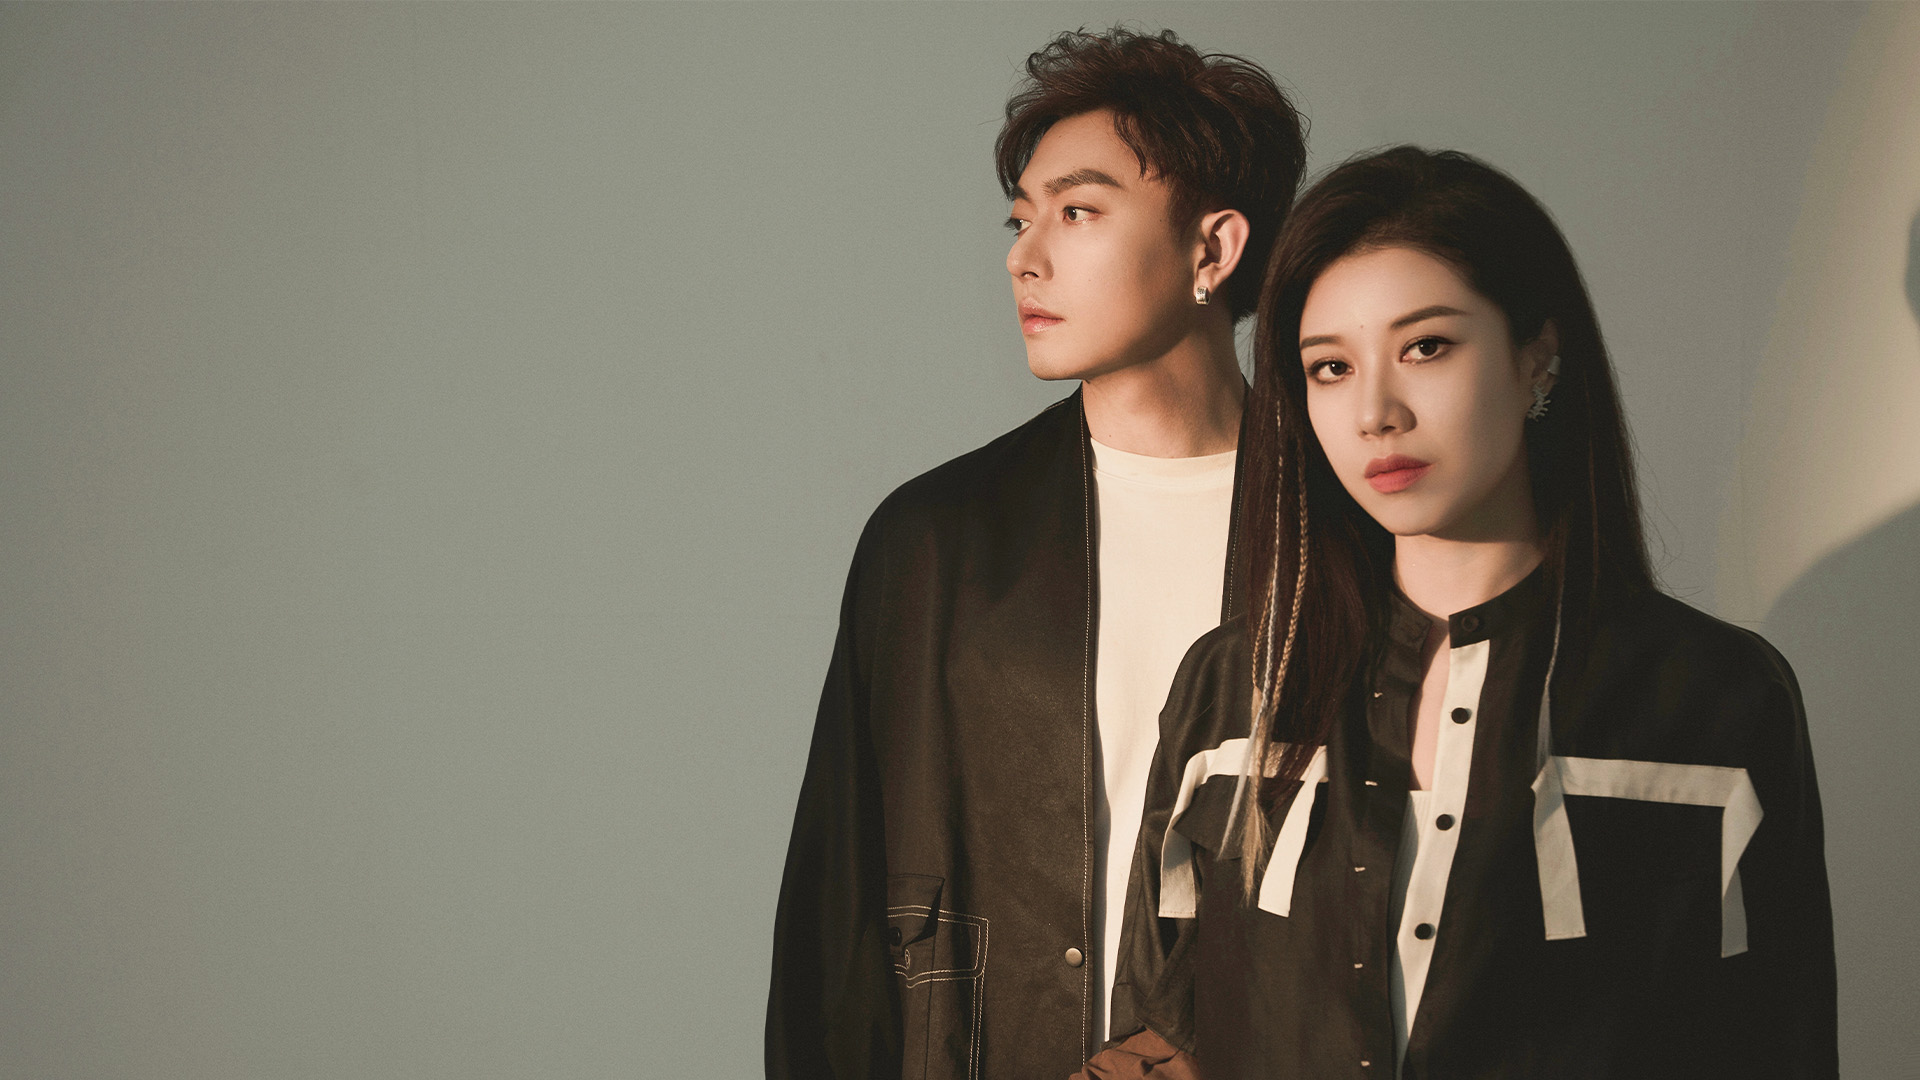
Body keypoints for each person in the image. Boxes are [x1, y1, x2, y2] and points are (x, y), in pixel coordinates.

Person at [1092, 147, 1837, 1078]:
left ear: (1538, 359)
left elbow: (1775, 1043)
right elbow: (1151, 1045)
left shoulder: (1715, 697)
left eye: (1426, 347)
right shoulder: (1231, 685)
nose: (1375, 411)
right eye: (1330, 367)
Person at [764, 28, 1308, 1080]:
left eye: (1079, 211)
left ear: (1214, 249)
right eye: (1022, 219)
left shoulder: (1340, 534)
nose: (1025, 256)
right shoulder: (938, 542)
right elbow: (838, 923)